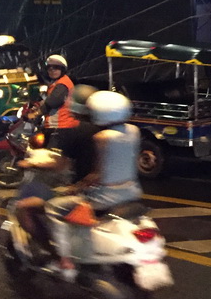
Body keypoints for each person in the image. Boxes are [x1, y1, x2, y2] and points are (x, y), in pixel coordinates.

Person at [46, 91, 142, 277]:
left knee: (52, 208)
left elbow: (96, 175)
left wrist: (74, 188)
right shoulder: (134, 131)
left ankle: (64, 261)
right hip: (132, 192)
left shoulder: (103, 137)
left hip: (103, 198)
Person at [15, 84, 99, 255]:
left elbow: (61, 164)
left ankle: (51, 250)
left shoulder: (75, 131)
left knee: (23, 207)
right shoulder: (111, 131)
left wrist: (32, 164)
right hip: (107, 193)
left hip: (82, 194)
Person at [33, 54, 79, 144]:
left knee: (51, 155)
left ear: (62, 70)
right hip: (57, 126)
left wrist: (36, 114)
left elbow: (53, 102)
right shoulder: (56, 83)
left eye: (56, 68)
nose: (52, 71)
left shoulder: (63, 84)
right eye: (49, 68)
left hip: (60, 126)